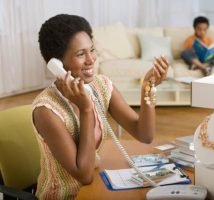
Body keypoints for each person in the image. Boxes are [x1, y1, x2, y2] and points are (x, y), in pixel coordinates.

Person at [32, 14, 169, 199]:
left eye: (92, 50)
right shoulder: (46, 111)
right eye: (81, 54)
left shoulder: (101, 85)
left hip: (94, 189)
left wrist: (147, 86)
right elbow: (84, 175)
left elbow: (144, 134)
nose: (91, 60)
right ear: (56, 64)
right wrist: (87, 109)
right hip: (64, 196)